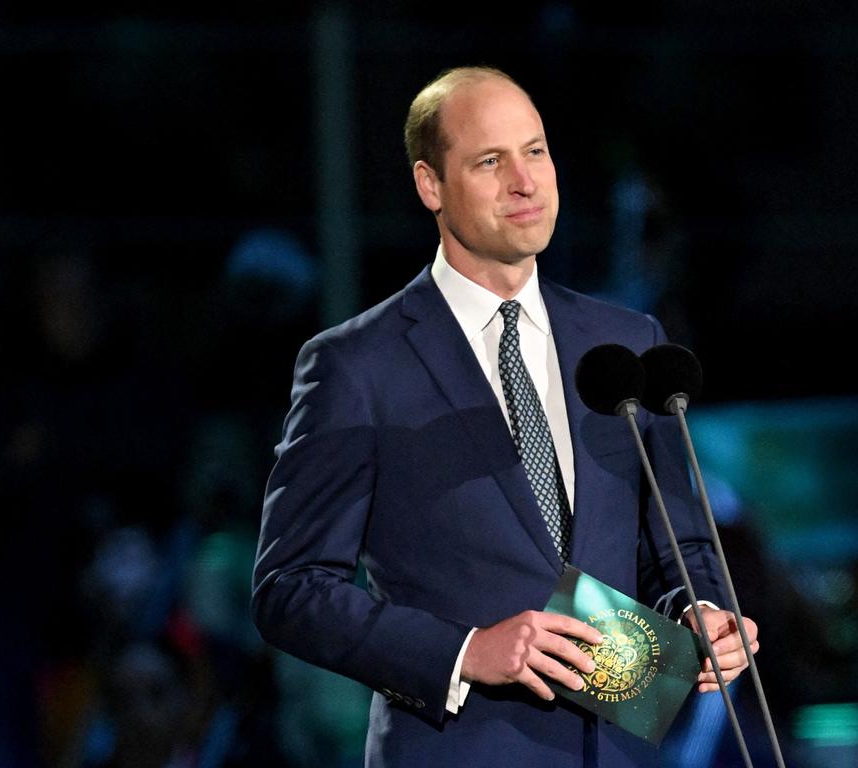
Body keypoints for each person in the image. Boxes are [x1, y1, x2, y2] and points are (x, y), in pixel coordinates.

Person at [251, 66, 759, 768]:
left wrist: (700, 612)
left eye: (536, 151)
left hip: (620, 750)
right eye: (491, 161)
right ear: (431, 185)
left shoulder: (628, 344)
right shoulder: (358, 365)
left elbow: (681, 545)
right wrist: (464, 651)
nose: (525, 182)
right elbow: (291, 589)